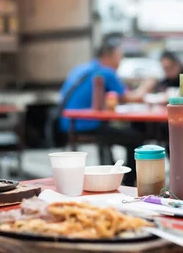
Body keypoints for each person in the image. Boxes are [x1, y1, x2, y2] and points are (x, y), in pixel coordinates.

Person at [57, 42, 152, 185]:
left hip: (68, 123)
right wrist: (148, 84)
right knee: (136, 138)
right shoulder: (105, 72)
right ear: (108, 56)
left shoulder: (81, 69)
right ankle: (129, 181)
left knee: (116, 134)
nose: (121, 61)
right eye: (119, 56)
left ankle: (116, 174)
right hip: (86, 124)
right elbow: (131, 98)